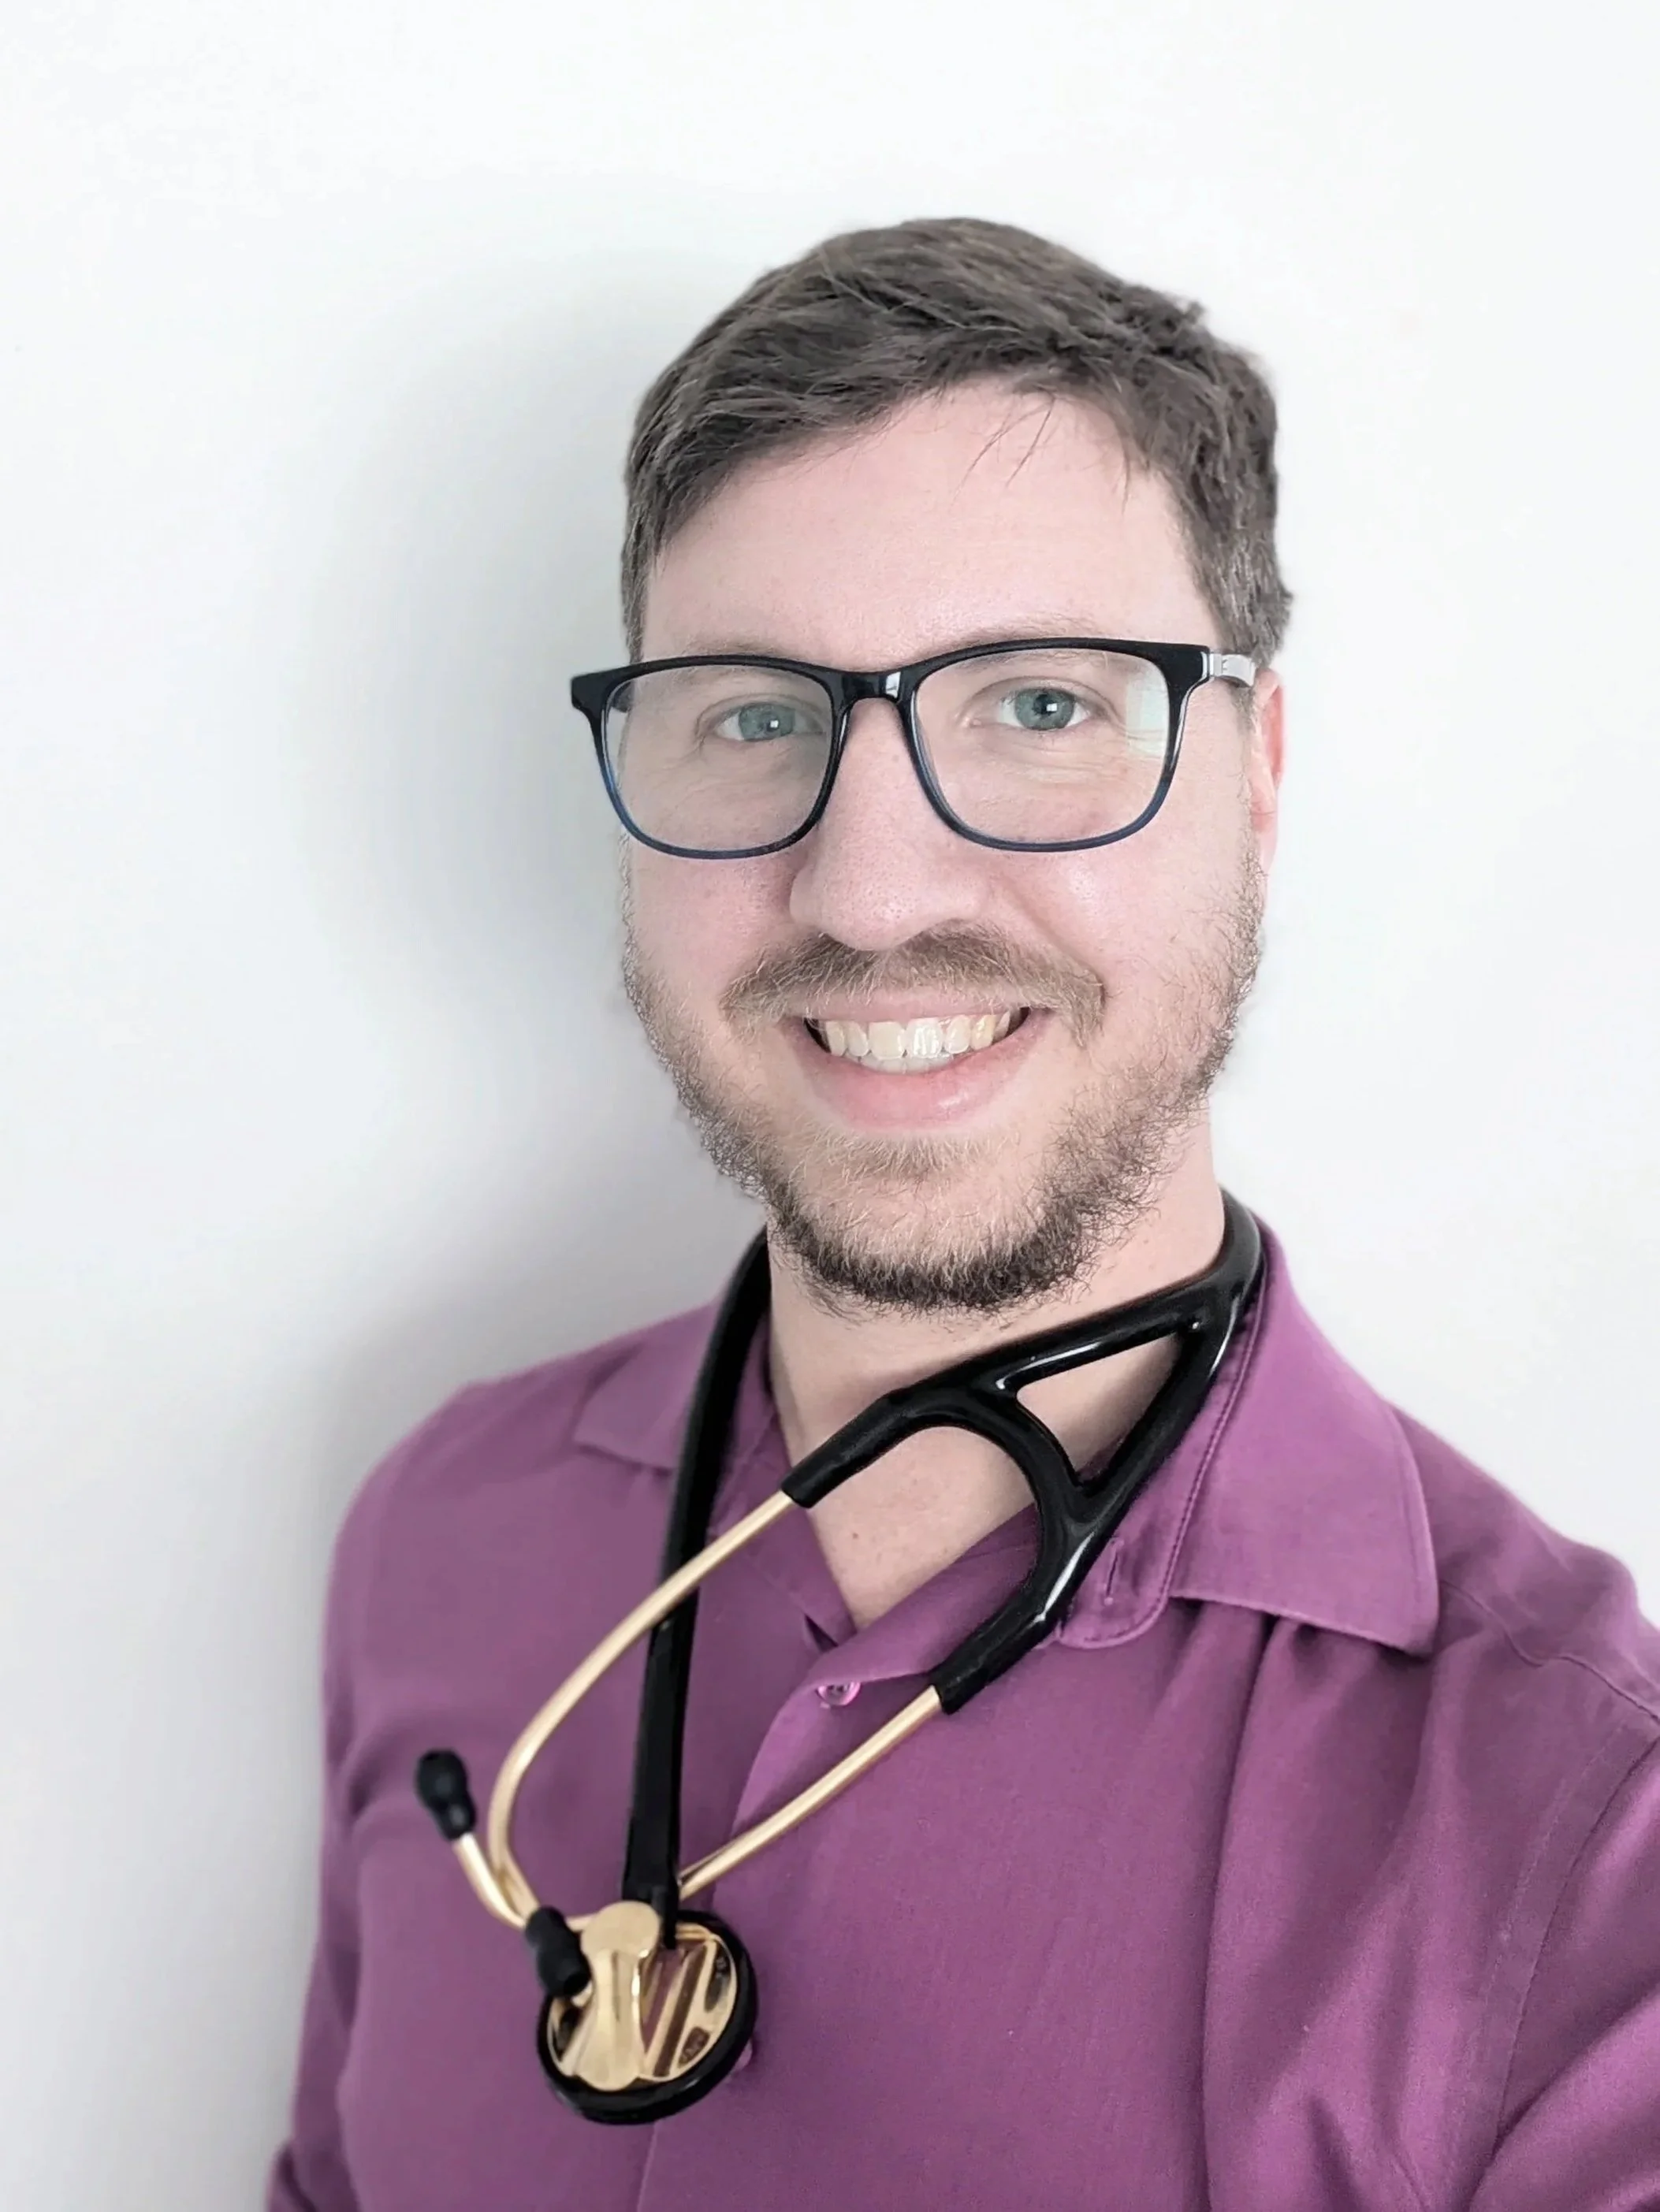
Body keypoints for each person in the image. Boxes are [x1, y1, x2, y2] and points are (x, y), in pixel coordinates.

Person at [270, 219, 1660, 2211]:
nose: (870, 887)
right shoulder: (440, 1536)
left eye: (1037, 707)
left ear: (1254, 771)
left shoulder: (1588, 1849)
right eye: (754, 714)